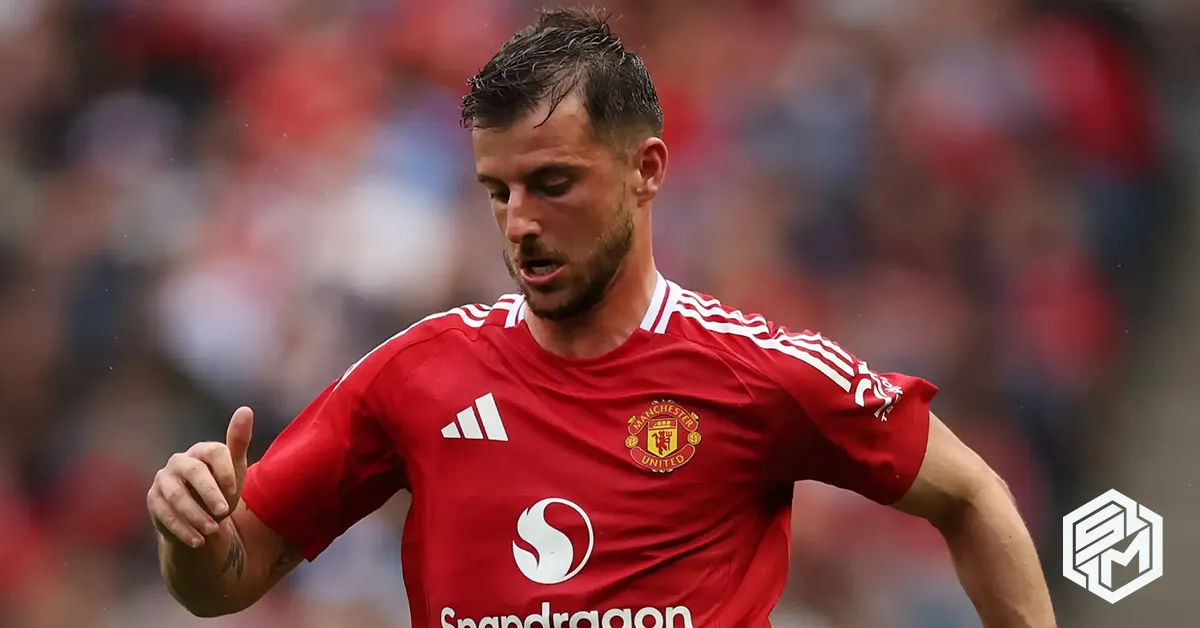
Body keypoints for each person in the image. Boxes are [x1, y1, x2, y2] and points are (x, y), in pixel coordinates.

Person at [146, 7, 1056, 627]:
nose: (520, 223)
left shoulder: (759, 374)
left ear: (646, 170)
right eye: (498, 192)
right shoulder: (416, 374)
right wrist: (192, 533)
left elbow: (972, 496)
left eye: (553, 184)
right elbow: (225, 581)